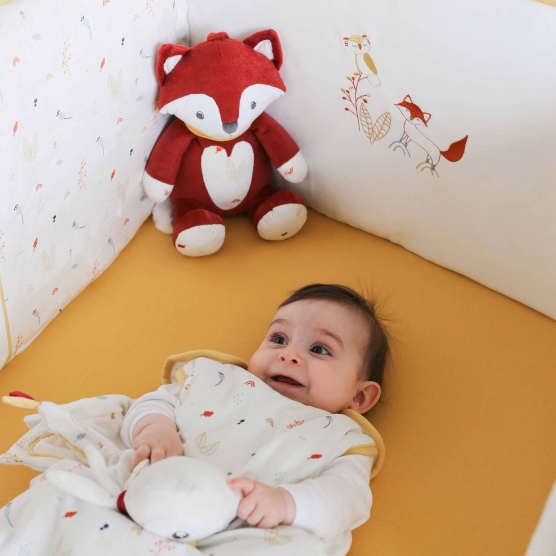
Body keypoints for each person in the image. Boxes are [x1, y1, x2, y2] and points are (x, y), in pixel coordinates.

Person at [120, 283, 390, 547]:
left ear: (359, 396)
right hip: (150, 488)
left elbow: (345, 499)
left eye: (319, 349)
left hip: (243, 535)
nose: (289, 354)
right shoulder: (220, 379)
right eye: (278, 339)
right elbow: (156, 401)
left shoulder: (341, 440)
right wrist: (155, 427)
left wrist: (286, 502)